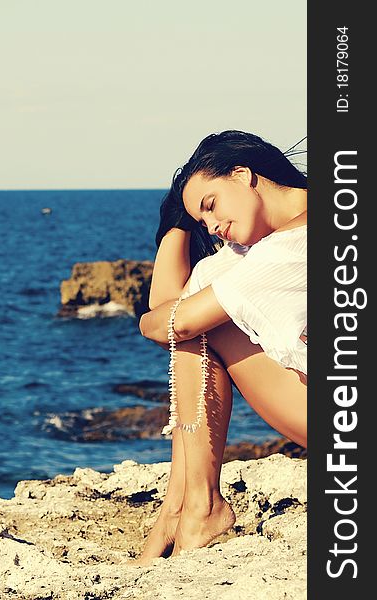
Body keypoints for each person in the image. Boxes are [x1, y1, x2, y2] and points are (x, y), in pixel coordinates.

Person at [128, 130, 307, 565]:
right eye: (202, 223)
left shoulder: (293, 244)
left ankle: (197, 507)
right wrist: (178, 218)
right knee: (194, 324)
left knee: (198, 329)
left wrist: (149, 322)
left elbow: (172, 320)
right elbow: (168, 306)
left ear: (243, 174)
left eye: (210, 206)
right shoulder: (254, 248)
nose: (212, 227)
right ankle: (185, 507)